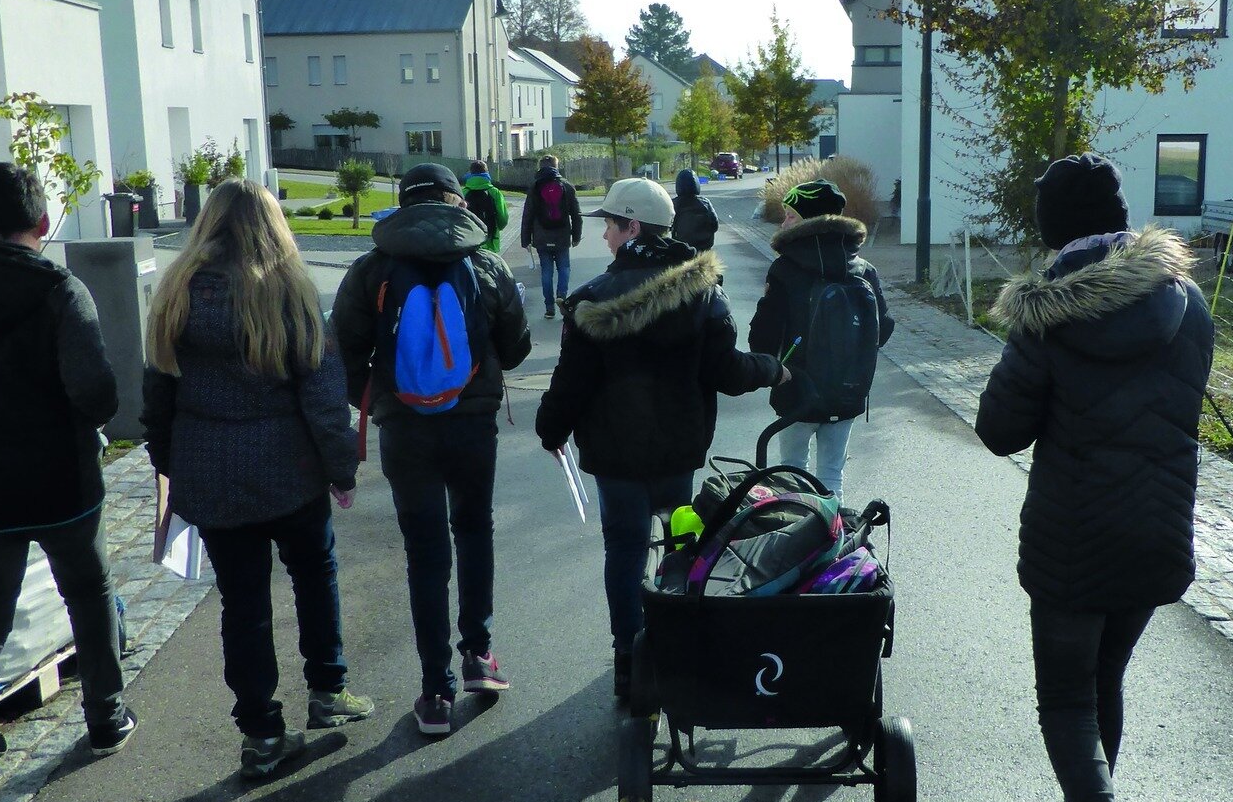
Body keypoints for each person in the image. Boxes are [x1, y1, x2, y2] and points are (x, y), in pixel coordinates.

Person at [974, 155, 1213, 802]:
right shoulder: (1186, 300)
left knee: (1068, 703)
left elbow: (1000, 429)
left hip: (1073, 539)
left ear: (1051, 230)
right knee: (1106, 682)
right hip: (1155, 532)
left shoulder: (1045, 317)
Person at [142, 177, 371, 780]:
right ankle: (328, 690)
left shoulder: (175, 293)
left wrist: (168, 466)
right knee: (314, 575)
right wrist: (340, 470)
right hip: (289, 470)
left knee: (243, 606)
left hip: (211, 471)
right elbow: (324, 401)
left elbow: (157, 392)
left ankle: (262, 733)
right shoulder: (290, 294)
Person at [534, 176, 785, 699]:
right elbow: (730, 373)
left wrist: (550, 430)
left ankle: (629, 659)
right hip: (678, 452)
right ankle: (681, 643)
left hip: (615, 457)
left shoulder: (592, 300)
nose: (603, 236)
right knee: (680, 543)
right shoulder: (703, 294)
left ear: (632, 226)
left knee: (623, 551)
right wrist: (773, 369)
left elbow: (571, 383)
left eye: (610, 226)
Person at [333, 161, 530, 736]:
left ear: (403, 203)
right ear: (453, 202)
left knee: (425, 552)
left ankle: (435, 691)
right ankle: (479, 656)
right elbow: (515, 349)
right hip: (472, 426)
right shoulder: (485, 263)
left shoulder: (372, 270)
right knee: (474, 531)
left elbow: (343, 353)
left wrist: (384, 396)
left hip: (405, 432)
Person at [0, 163, 136, 757]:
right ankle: (105, 714)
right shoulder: (60, 290)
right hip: (61, 482)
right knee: (89, 591)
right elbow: (95, 393)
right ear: (42, 222)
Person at [747, 176, 894, 501]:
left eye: (791, 215)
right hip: (848, 393)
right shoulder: (864, 269)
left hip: (796, 389)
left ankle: (795, 543)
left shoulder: (784, 269)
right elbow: (882, 329)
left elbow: (762, 337)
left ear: (810, 220)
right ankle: (832, 543)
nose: (783, 221)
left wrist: (773, 369)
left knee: (792, 472)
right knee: (832, 476)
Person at [519, 152, 584, 317]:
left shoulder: (534, 187)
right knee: (564, 268)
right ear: (556, 166)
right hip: (562, 235)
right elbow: (576, 214)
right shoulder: (567, 187)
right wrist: (576, 236)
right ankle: (561, 296)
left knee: (546, 271)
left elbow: (527, 215)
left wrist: (525, 239)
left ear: (540, 167)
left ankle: (549, 308)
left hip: (541, 237)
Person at [462, 159, 509, 254]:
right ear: (486, 172)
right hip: (490, 240)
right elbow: (503, 217)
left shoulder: (463, 192)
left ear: (470, 173)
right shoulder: (494, 192)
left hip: (468, 240)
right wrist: (497, 228)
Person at [670, 166, 718, 253]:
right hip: (704, 248)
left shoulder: (674, 204)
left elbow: (668, 225)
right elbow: (715, 225)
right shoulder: (705, 203)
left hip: (682, 248)